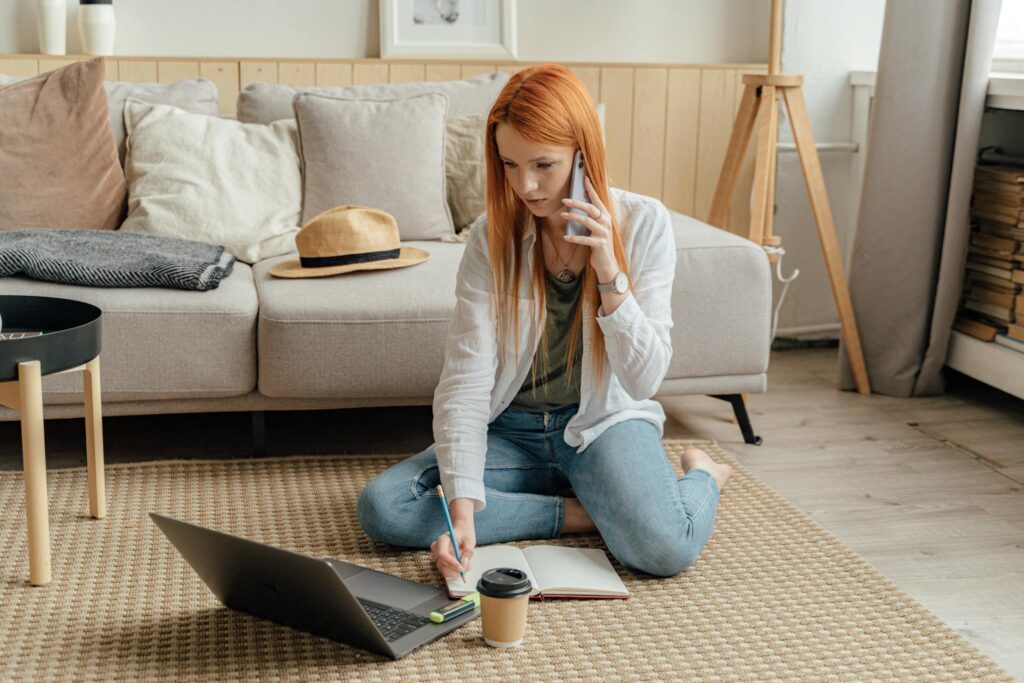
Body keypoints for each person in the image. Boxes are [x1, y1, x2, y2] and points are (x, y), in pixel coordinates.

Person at [357, 63, 732, 580]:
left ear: (584, 156)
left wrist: (609, 272)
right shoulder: (492, 238)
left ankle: (704, 475)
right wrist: (463, 515)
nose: (526, 186)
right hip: (512, 432)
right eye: (510, 165)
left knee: (666, 548)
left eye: (544, 165)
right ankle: (581, 512)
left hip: (601, 427)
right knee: (385, 508)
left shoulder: (645, 225)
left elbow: (645, 379)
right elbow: (465, 382)